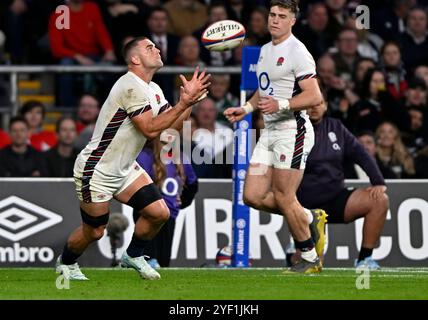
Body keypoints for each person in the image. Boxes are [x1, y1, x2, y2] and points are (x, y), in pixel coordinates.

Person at [55, 36, 210, 281]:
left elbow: (171, 129)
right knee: (95, 231)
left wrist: (189, 102)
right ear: (135, 59)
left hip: (125, 167)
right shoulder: (129, 85)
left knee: (159, 213)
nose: (157, 49)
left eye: (156, 46)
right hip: (96, 168)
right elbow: (150, 130)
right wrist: (183, 103)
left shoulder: (153, 89)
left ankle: (134, 255)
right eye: (150, 47)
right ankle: (66, 262)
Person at [224, 0, 326, 274]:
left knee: (283, 195)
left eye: (282, 16)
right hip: (269, 132)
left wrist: (281, 105)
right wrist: (245, 108)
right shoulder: (265, 51)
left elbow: (314, 96)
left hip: (293, 131)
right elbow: (264, 91)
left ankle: (308, 258)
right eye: (272, 15)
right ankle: (307, 216)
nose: (275, 20)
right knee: (252, 196)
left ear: (292, 21)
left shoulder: (298, 51)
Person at [295, 102, 389, 269]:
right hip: (305, 206)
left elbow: (360, 152)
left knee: (379, 200)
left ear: (325, 106)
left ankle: (364, 259)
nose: (315, 107)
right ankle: (294, 253)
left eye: (319, 103)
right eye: (310, 104)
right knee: (312, 265)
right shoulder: (293, 129)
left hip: (336, 199)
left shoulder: (336, 126)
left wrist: (378, 181)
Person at [135, 136, 198, 268]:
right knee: (149, 258)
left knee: (162, 262)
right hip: (147, 214)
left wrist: (182, 202)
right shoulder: (145, 156)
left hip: (165, 215)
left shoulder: (179, 157)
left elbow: (192, 185)